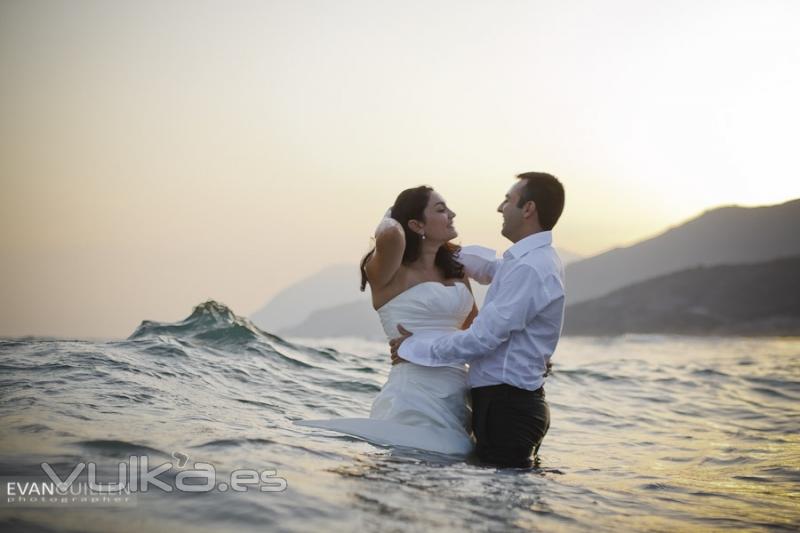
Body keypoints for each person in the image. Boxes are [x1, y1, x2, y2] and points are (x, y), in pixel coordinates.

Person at [389, 172, 566, 468]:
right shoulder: (529, 261)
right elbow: (491, 269)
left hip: (508, 409)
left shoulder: (531, 268)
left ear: (528, 209)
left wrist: (415, 347)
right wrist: (438, 248)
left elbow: (481, 339)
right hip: (507, 405)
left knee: (498, 510)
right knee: (495, 508)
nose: (500, 208)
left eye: (508, 200)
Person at [295, 186, 478, 456]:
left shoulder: (456, 271)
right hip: (414, 397)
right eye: (440, 210)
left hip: (458, 396)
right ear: (416, 224)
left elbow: (476, 330)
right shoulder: (388, 274)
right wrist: (393, 214)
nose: (452, 214)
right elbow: (391, 233)